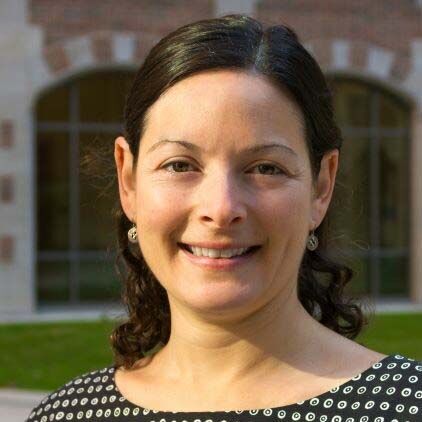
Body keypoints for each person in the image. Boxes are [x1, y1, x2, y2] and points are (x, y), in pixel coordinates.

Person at [27, 14, 421, 422]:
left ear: (321, 187)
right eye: (180, 165)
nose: (220, 208)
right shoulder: (64, 415)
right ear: (128, 181)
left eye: (265, 168)